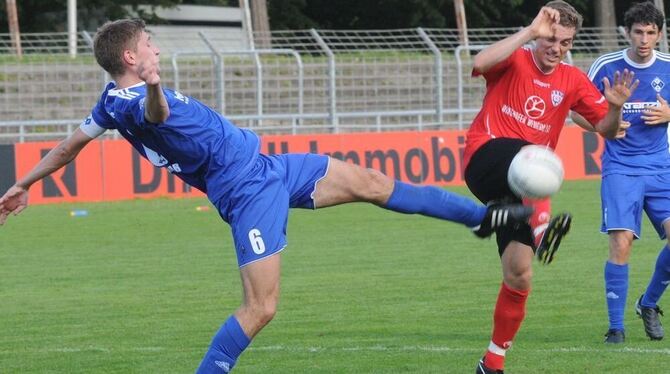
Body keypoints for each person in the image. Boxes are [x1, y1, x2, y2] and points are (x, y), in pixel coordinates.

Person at [0, 19, 534, 373]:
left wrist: (23, 183)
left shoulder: (109, 102)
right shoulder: (134, 99)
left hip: (269, 167)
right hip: (245, 191)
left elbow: (69, 148)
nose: (156, 48)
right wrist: (156, 85)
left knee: (374, 184)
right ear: (130, 55)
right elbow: (154, 115)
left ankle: (483, 218)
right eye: (149, 45)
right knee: (262, 307)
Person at [463, 1, 638, 373]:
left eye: (565, 42)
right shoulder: (516, 58)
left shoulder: (573, 80)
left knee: (520, 274)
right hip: (485, 160)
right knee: (536, 157)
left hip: (521, 190)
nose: (557, 49)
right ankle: (541, 225)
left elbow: (605, 129)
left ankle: (492, 361)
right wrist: (529, 31)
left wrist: (615, 108)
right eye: (551, 39)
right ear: (540, 35)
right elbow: (478, 64)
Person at [585, 1, 670, 344]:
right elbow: (577, 112)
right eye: (638, 32)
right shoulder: (606, 66)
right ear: (626, 32)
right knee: (621, 242)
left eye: (651, 32)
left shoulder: (667, 67)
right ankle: (615, 328)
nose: (644, 39)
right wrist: (605, 124)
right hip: (621, 168)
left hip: (661, 167)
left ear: (660, 34)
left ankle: (647, 304)